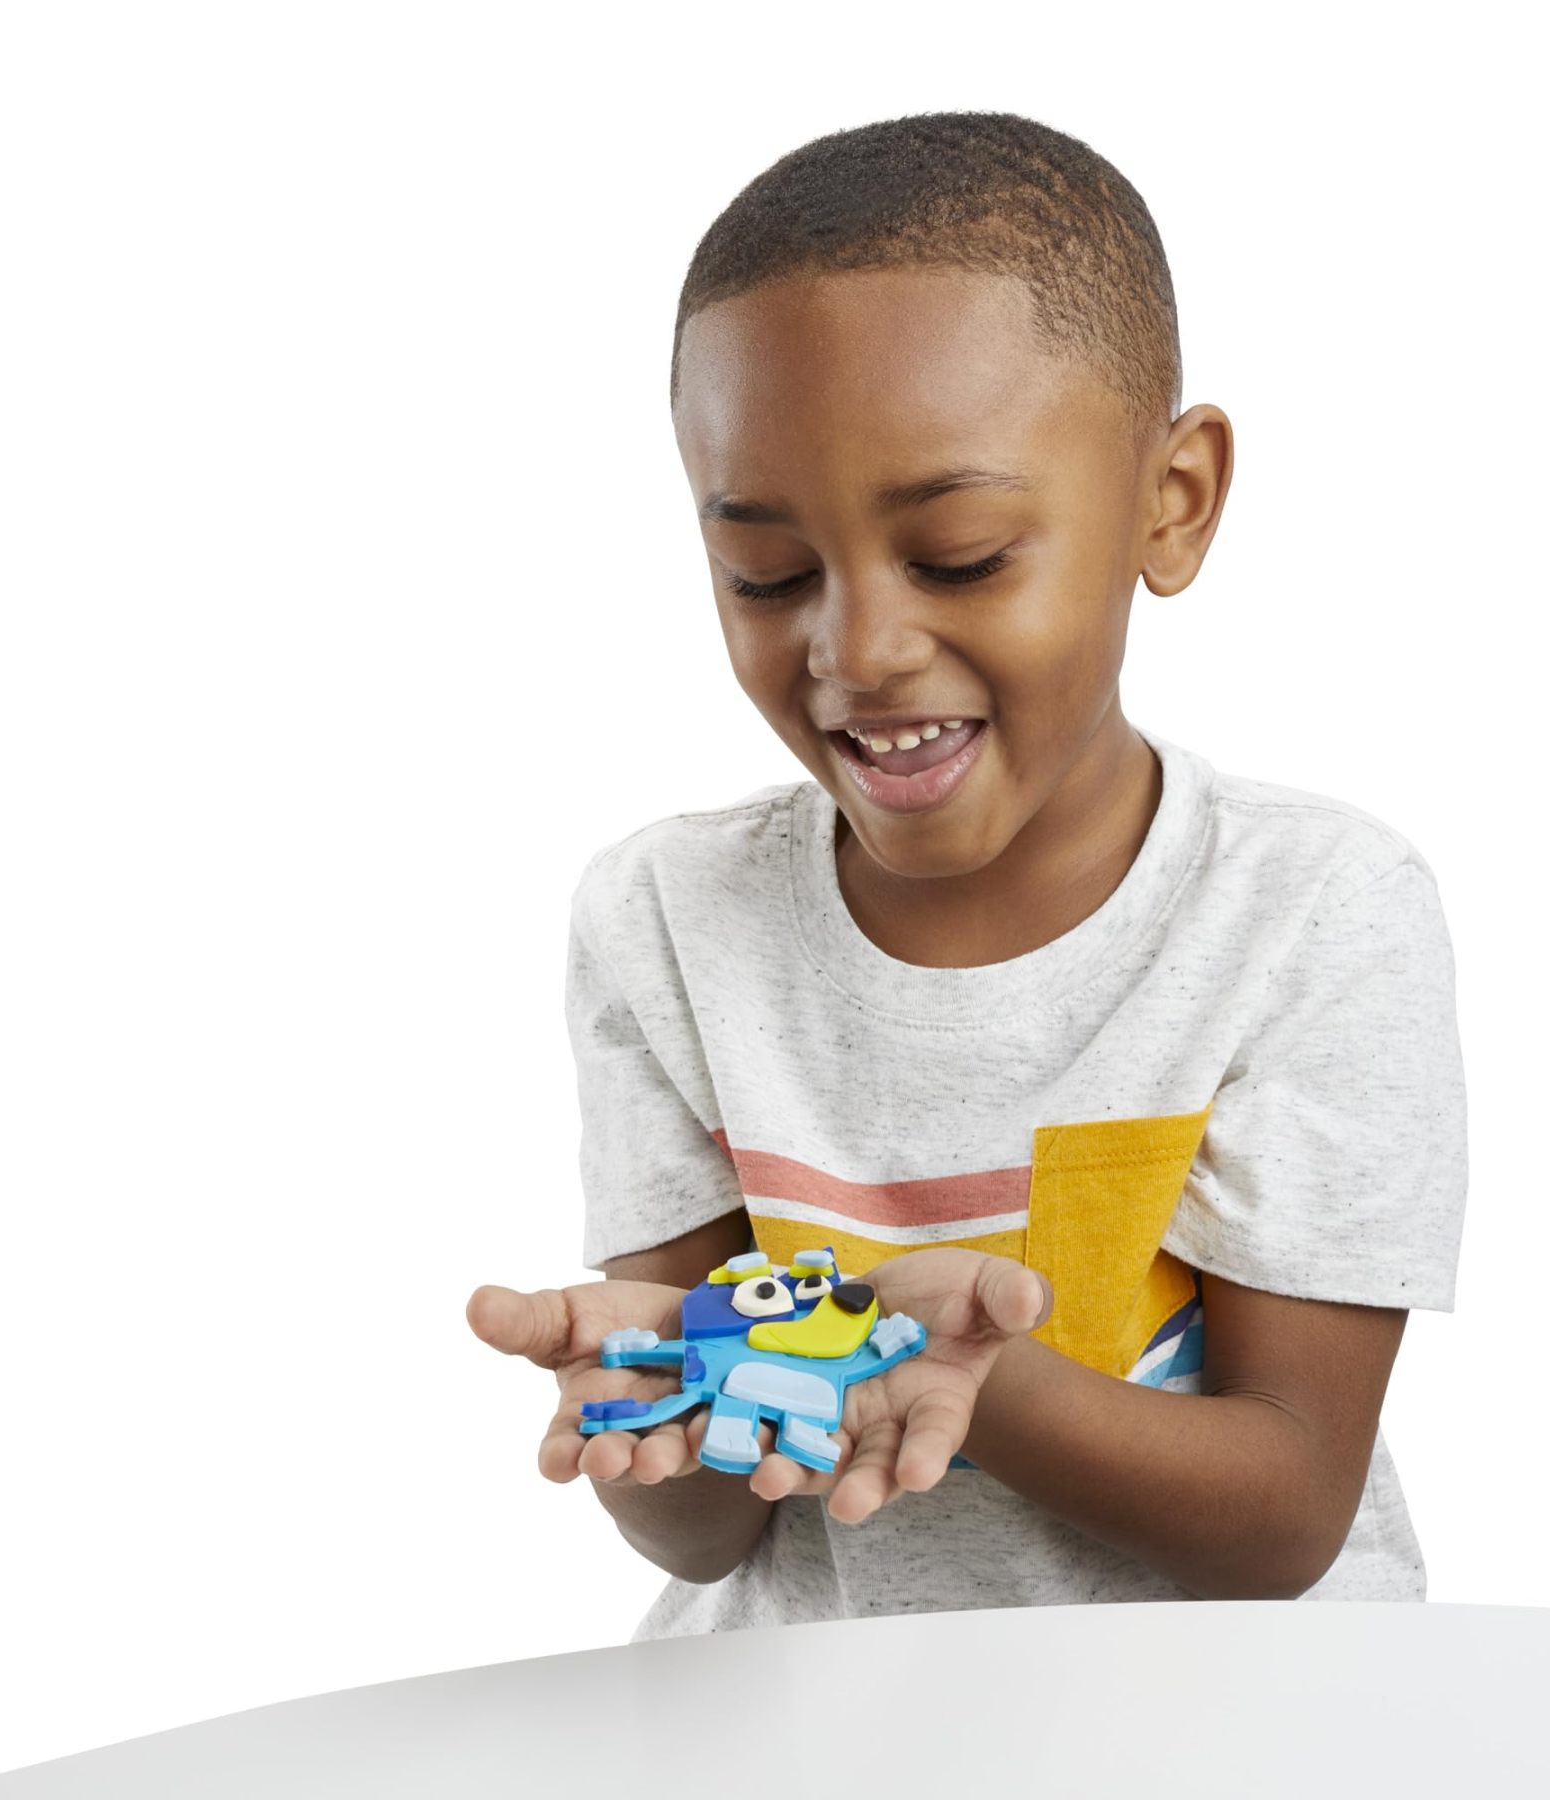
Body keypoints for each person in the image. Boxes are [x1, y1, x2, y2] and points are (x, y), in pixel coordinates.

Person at [467, 109, 1469, 1637]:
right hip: (812, 1724)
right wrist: (649, 1397)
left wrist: (977, 1381)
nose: (858, 649)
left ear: (1172, 501)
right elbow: (703, 1537)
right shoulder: (667, 918)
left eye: (959, 556)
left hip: (1236, 1730)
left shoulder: (1314, 911)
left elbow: (1284, 1518)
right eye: (765, 575)